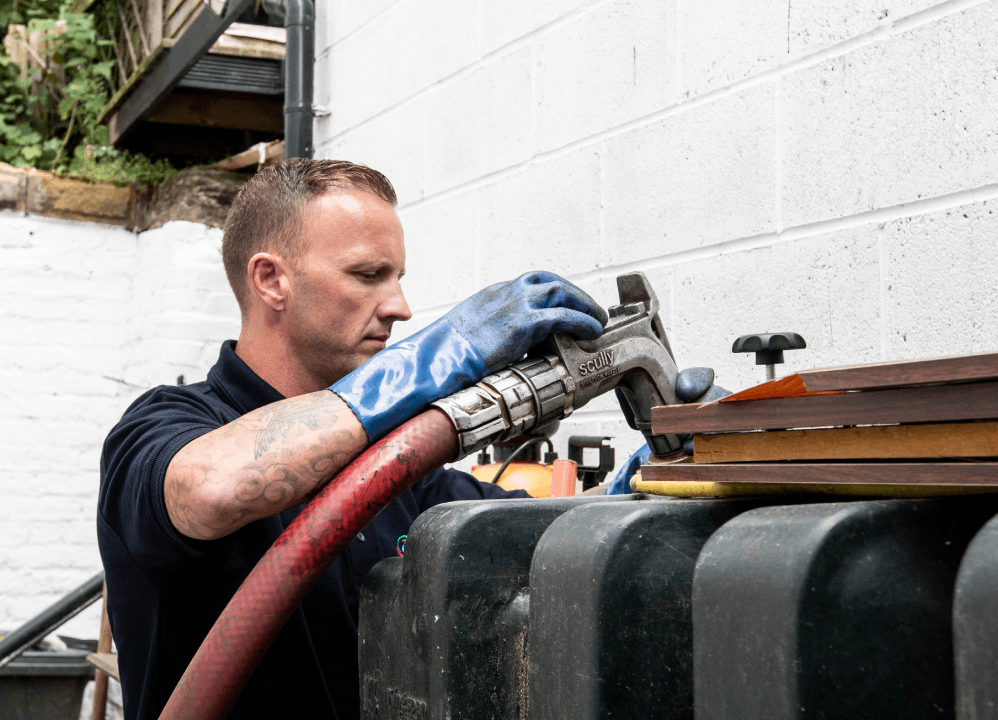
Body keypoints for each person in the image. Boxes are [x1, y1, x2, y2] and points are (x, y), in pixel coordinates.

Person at [96, 159, 717, 720]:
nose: (400, 307)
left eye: (397, 276)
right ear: (271, 281)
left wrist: (649, 484)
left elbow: (551, 549)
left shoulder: (404, 474)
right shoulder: (164, 427)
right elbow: (211, 488)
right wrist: (430, 363)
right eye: (369, 275)